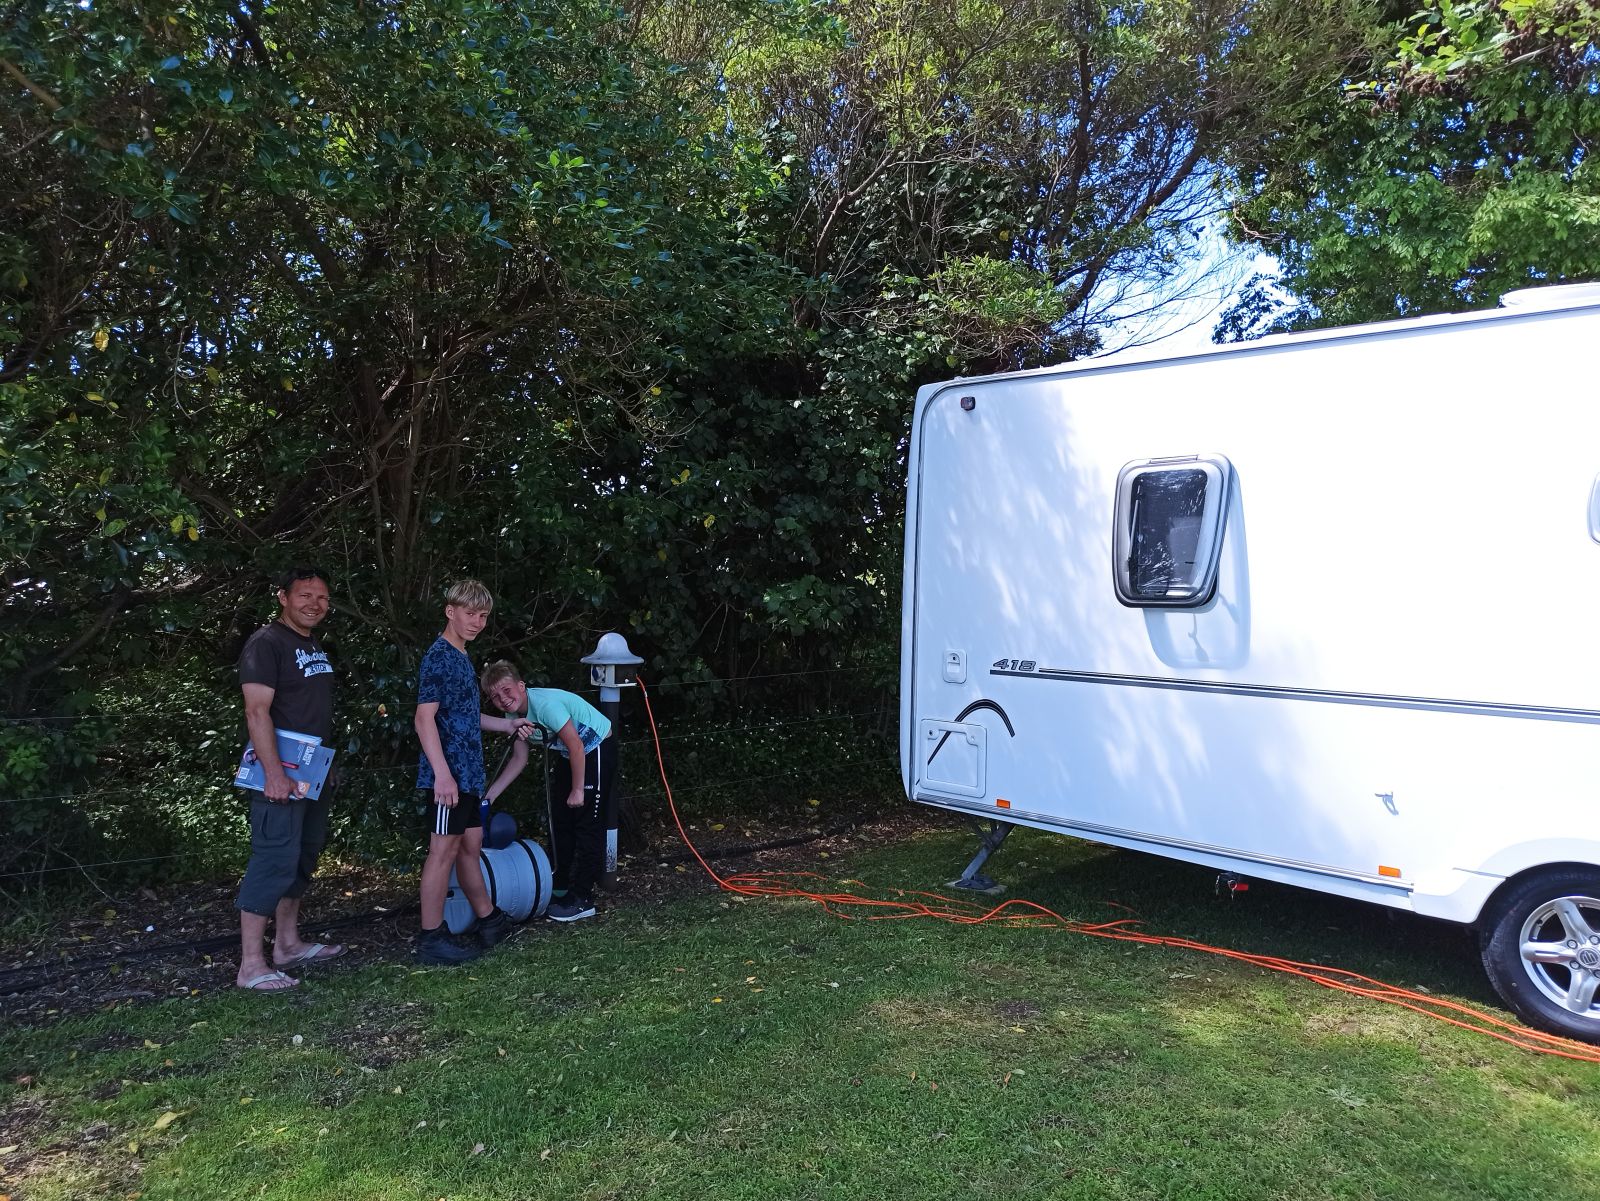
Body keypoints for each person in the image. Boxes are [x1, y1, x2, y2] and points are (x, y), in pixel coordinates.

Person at [234, 566, 345, 992]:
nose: (315, 604)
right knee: (273, 859)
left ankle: (287, 945)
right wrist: (274, 775)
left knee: (302, 856)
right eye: (305, 595)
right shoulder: (267, 643)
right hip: (279, 774)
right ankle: (250, 966)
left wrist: (324, 766)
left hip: (311, 773)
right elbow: (256, 712)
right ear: (283, 597)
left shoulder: (311, 643)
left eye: (322, 597)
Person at [413, 579, 524, 964]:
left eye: (483, 616)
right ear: (450, 612)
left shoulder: (462, 656)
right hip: (449, 779)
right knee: (442, 852)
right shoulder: (439, 657)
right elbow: (424, 719)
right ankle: (431, 938)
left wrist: (507, 725)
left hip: (470, 776)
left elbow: (466, 716)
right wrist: (443, 775)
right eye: (470, 613)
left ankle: (489, 920)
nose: (477, 622)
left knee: (470, 847)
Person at [479, 660, 615, 922]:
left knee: (587, 824)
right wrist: (490, 795)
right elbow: (519, 759)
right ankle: (560, 886)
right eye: (495, 697)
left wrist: (578, 789)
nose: (503, 699)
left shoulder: (545, 706)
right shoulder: (512, 717)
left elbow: (576, 745)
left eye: (507, 690)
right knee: (560, 820)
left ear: (521, 686)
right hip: (571, 754)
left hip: (595, 747)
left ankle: (583, 898)